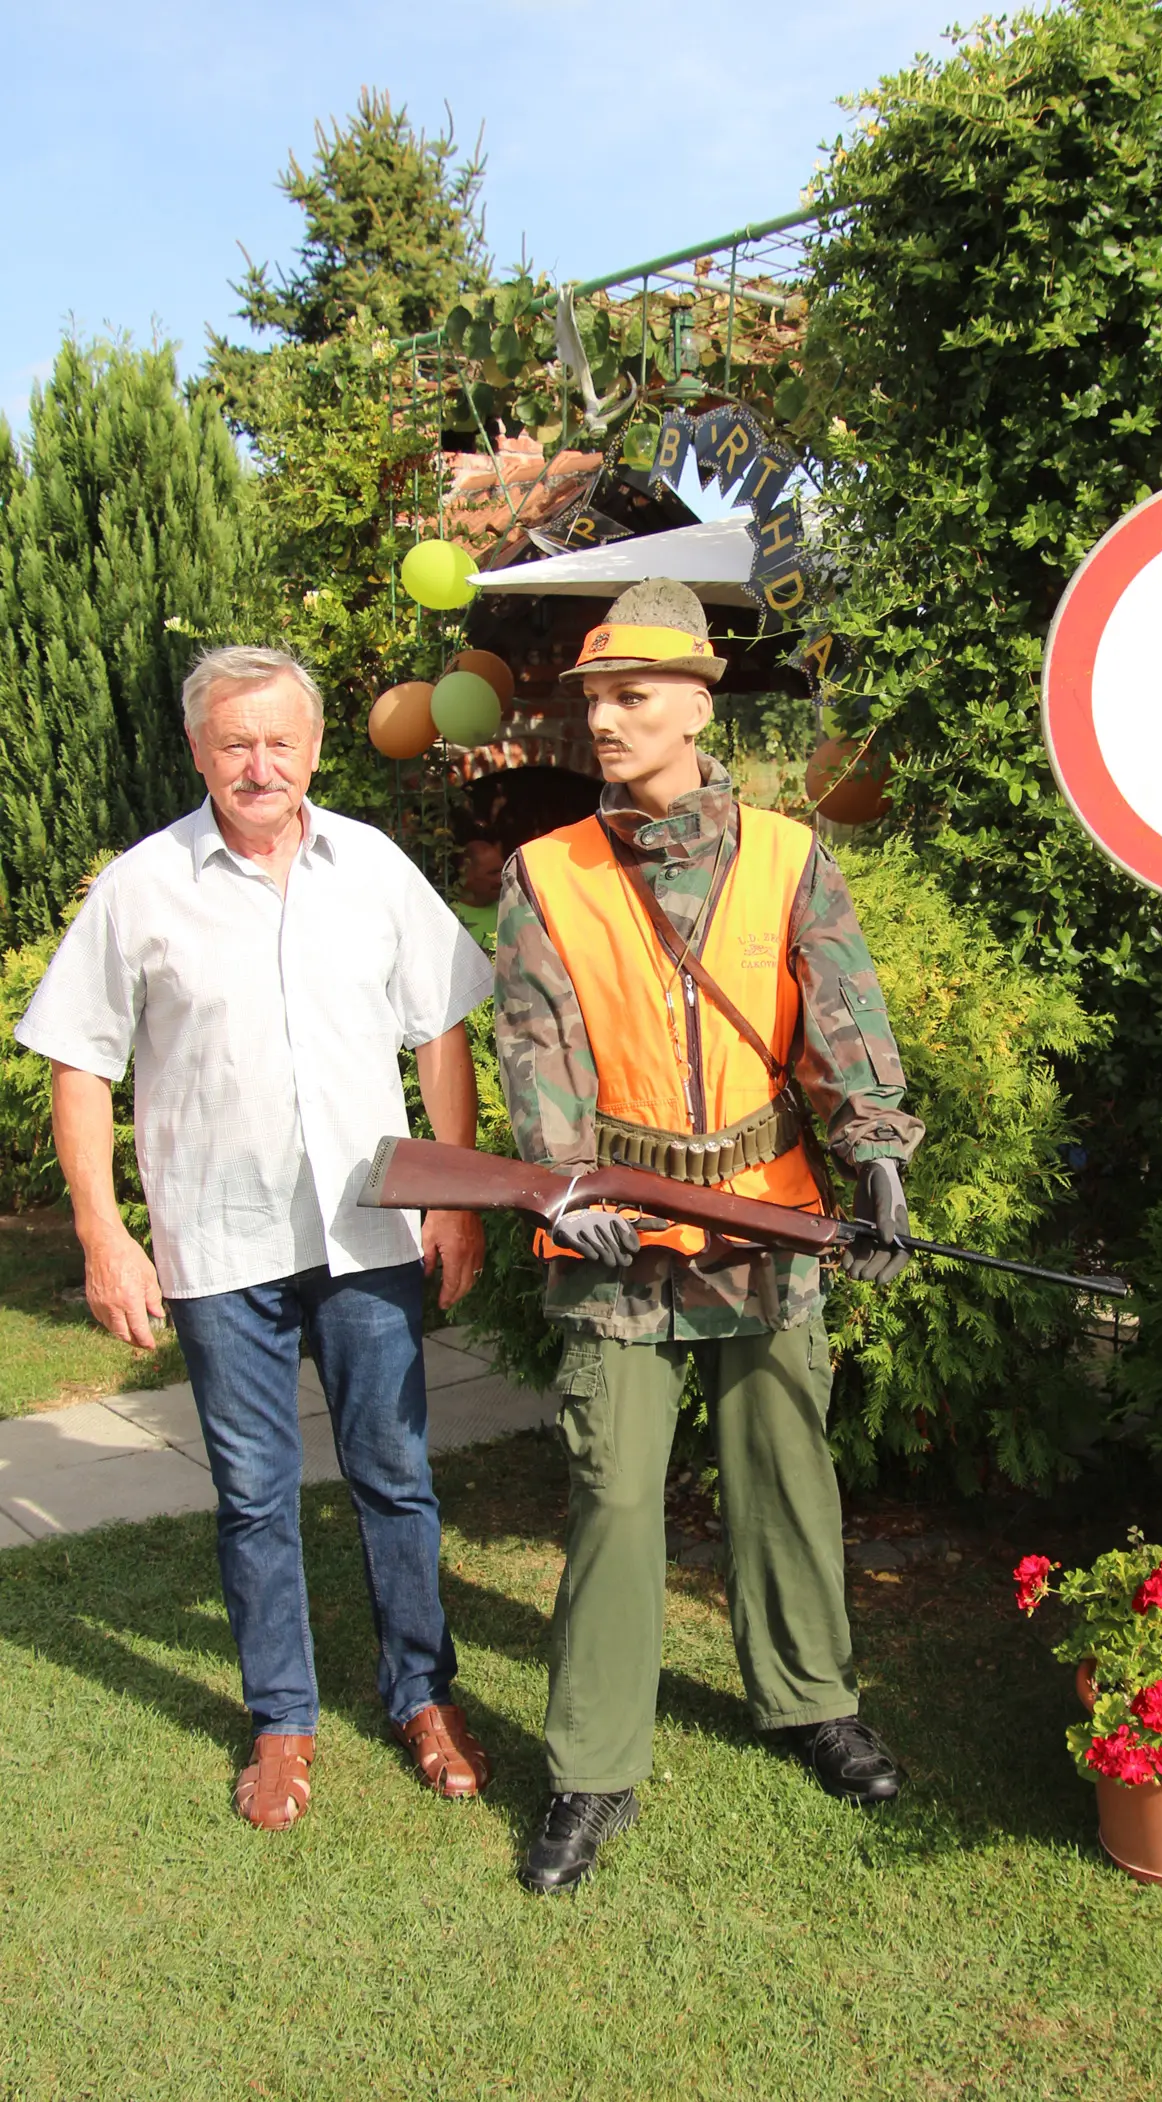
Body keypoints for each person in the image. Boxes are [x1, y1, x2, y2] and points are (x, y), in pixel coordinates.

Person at [16, 645, 496, 1831]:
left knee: (394, 1473)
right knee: (252, 1492)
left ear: (317, 749)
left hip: (368, 1229)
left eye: (281, 740)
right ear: (198, 752)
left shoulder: (375, 868)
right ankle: (283, 1718)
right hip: (217, 1243)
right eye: (234, 742)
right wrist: (102, 1233)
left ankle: (422, 1695)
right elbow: (81, 1064)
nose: (259, 764)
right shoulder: (140, 885)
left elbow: (440, 1032)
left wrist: (455, 1195)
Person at [492, 580, 924, 1895]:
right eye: (593, 700)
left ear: (698, 701)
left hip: (769, 1213)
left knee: (786, 1465)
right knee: (616, 1488)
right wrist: (571, 1191)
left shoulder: (792, 857)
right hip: (618, 1229)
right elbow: (537, 1058)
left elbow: (839, 1025)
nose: (607, 720)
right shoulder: (545, 872)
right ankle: (592, 1765)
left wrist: (880, 1162)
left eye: (633, 695)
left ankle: (809, 1699)